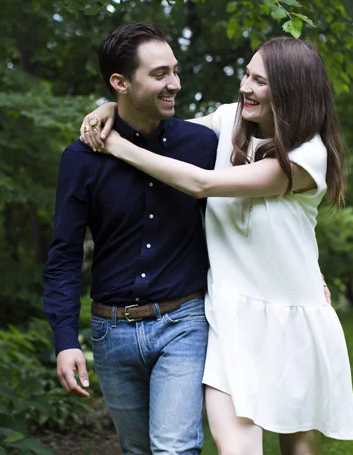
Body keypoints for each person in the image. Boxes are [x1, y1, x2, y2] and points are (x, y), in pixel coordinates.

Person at [80, 36, 353, 454]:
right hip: (229, 317)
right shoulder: (230, 120)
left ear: (290, 90)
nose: (245, 87)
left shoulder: (307, 156)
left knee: (298, 449)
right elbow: (160, 122)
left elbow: (201, 183)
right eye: (246, 75)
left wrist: (116, 145)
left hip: (292, 318)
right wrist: (111, 109)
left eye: (260, 81)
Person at [42, 23, 219, 455]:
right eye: (160, 74)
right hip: (111, 333)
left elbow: (244, 222)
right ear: (120, 83)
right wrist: (66, 340)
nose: (175, 83)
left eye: (175, 71)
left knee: (174, 448)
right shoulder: (81, 158)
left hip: (183, 323)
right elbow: (64, 255)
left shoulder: (201, 144)